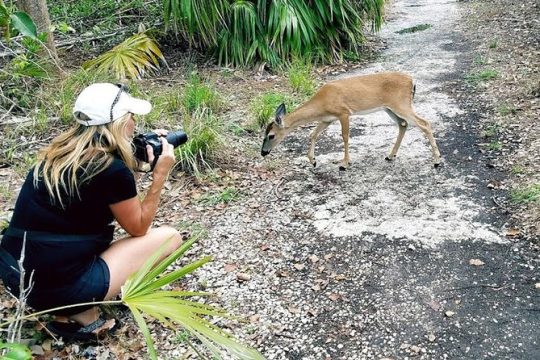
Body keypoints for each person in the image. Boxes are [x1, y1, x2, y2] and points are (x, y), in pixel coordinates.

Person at [0, 83, 183, 341]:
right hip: (61, 287)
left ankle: (72, 310)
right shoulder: (111, 169)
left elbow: (101, 190)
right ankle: (81, 311)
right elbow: (138, 226)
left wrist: (136, 154)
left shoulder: (54, 157)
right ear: (118, 123)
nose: (134, 122)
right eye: (131, 116)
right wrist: (159, 175)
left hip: (18, 277)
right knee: (170, 237)